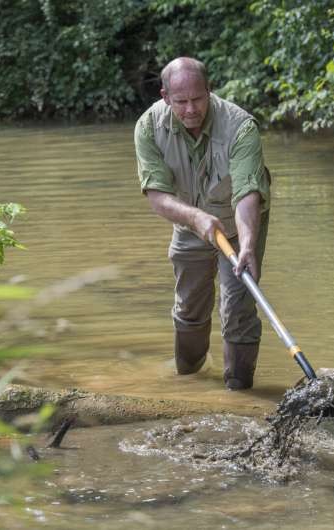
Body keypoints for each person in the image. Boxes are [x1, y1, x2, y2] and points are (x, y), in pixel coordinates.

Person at [134, 57, 271, 390]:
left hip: (240, 225)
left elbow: (247, 194)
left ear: (209, 90)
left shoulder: (240, 126)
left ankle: (239, 392)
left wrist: (248, 244)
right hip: (189, 221)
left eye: (198, 98)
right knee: (189, 307)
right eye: (181, 101)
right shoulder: (149, 127)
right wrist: (196, 218)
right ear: (166, 96)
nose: (191, 108)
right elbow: (157, 197)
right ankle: (189, 383)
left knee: (238, 307)